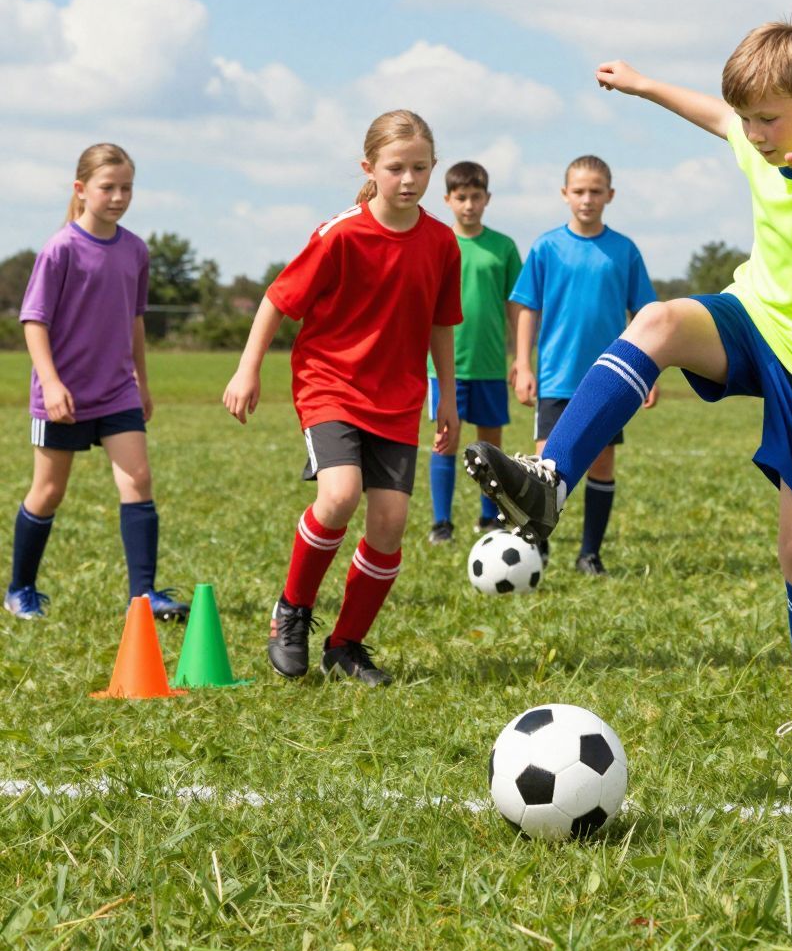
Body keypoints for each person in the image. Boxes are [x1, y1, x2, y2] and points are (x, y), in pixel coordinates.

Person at [467, 23, 792, 780]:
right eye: (751, 120)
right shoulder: (753, 133)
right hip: (754, 319)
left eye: (771, 119)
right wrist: (640, 83)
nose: (756, 135)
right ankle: (550, 479)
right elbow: (712, 113)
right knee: (658, 319)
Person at [223, 110, 461, 684]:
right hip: (330, 384)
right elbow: (277, 301)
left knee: (391, 520)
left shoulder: (441, 243)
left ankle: (347, 645)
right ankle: (291, 611)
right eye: (396, 167)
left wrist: (446, 397)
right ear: (369, 168)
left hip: (399, 397)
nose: (408, 179)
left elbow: (440, 325)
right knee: (339, 495)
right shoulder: (341, 234)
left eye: (420, 168)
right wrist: (247, 369)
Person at [6, 143, 188, 624]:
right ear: (81, 189)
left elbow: (134, 323)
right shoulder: (61, 249)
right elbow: (34, 320)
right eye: (108, 187)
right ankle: (19, 588)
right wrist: (51, 382)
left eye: (127, 187)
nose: (118, 196)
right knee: (48, 492)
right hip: (63, 393)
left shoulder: (135, 249)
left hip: (117, 392)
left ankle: (143, 595)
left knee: (139, 479)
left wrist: (142, 383)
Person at [510, 155, 658, 576]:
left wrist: (650, 371)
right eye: (579, 191)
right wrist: (522, 364)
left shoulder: (624, 250)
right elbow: (527, 308)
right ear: (565, 194)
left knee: (602, 463)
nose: (587, 199)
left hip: (609, 382)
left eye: (596, 191)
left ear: (610, 195)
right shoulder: (546, 247)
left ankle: (589, 553)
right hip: (556, 377)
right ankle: (535, 550)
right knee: (544, 469)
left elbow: (646, 313)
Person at [426, 161, 522, 546]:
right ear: (448, 199)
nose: (469, 205)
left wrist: (519, 355)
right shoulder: (438, 243)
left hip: (489, 366)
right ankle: (441, 523)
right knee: (445, 441)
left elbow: (518, 305)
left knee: (489, 447)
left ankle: (490, 517)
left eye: (476, 197)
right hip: (445, 367)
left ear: (487, 199)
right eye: (461, 197)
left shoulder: (503, 247)